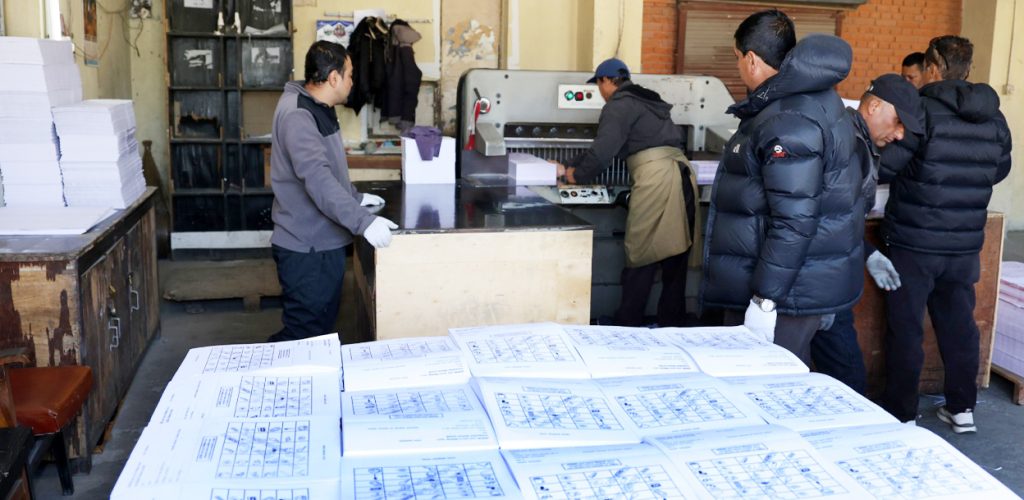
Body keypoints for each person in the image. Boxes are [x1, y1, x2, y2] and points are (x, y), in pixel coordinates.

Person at [701, 9, 863, 365]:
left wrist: (765, 300)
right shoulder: (815, 99)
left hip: (786, 295)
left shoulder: (786, 120)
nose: (739, 66)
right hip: (803, 282)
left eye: (737, 57)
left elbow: (794, 220)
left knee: (765, 384)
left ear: (753, 59)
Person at [879, 35, 1013, 432]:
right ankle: (962, 408)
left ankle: (901, 413)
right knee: (959, 324)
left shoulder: (921, 110)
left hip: (914, 242)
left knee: (906, 327)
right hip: (965, 243)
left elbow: (888, 166)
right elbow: (999, 168)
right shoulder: (994, 115)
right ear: (967, 69)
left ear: (933, 68)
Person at [267, 41, 398, 342]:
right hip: (308, 249)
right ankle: (252, 381)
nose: (353, 82)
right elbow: (318, 180)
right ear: (334, 78)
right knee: (305, 336)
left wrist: (354, 197)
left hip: (322, 243)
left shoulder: (318, 107)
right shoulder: (299, 115)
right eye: (350, 74)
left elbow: (330, 168)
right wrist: (363, 221)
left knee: (319, 330)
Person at [554, 58, 699, 327]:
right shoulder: (645, 100)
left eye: (599, 84)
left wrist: (574, 176)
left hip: (656, 178)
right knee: (675, 252)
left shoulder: (619, 105)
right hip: (680, 175)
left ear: (607, 81)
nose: (600, 91)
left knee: (641, 250)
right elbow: (603, 147)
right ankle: (672, 322)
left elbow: (603, 151)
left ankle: (627, 322)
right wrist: (570, 165)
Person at [810, 74, 925, 394]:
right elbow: (814, 219)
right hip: (820, 285)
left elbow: (837, 217)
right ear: (873, 107)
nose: (900, 134)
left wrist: (868, 253)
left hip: (830, 280)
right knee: (848, 383)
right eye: (898, 121)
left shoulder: (858, 142)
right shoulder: (844, 145)